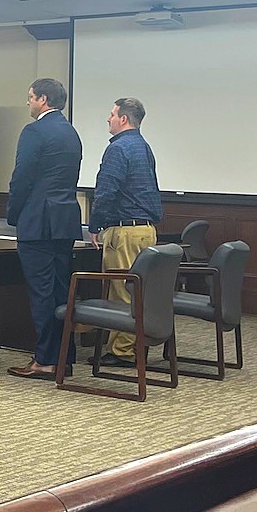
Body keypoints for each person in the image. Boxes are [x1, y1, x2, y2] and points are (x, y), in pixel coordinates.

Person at [5, 78, 83, 381]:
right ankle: (65, 356)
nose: (28, 103)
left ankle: (46, 361)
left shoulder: (35, 131)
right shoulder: (71, 132)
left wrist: (14, 214)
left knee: (41, 294)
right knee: (61, 292)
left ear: (44, 99)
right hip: (64, 221)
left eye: (30, 97)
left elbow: (21, 177)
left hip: (38, 221)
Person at [85, 98, 163, 366]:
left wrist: (95, 224)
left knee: (121, 292)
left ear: (124, 119)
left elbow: (107, 190)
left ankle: (122, 353)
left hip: (125, 232)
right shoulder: (143, 147)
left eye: (111, 114)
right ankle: (133, 346)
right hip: (146, 231)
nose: (108, 119)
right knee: (138, 292)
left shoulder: (118, 149)